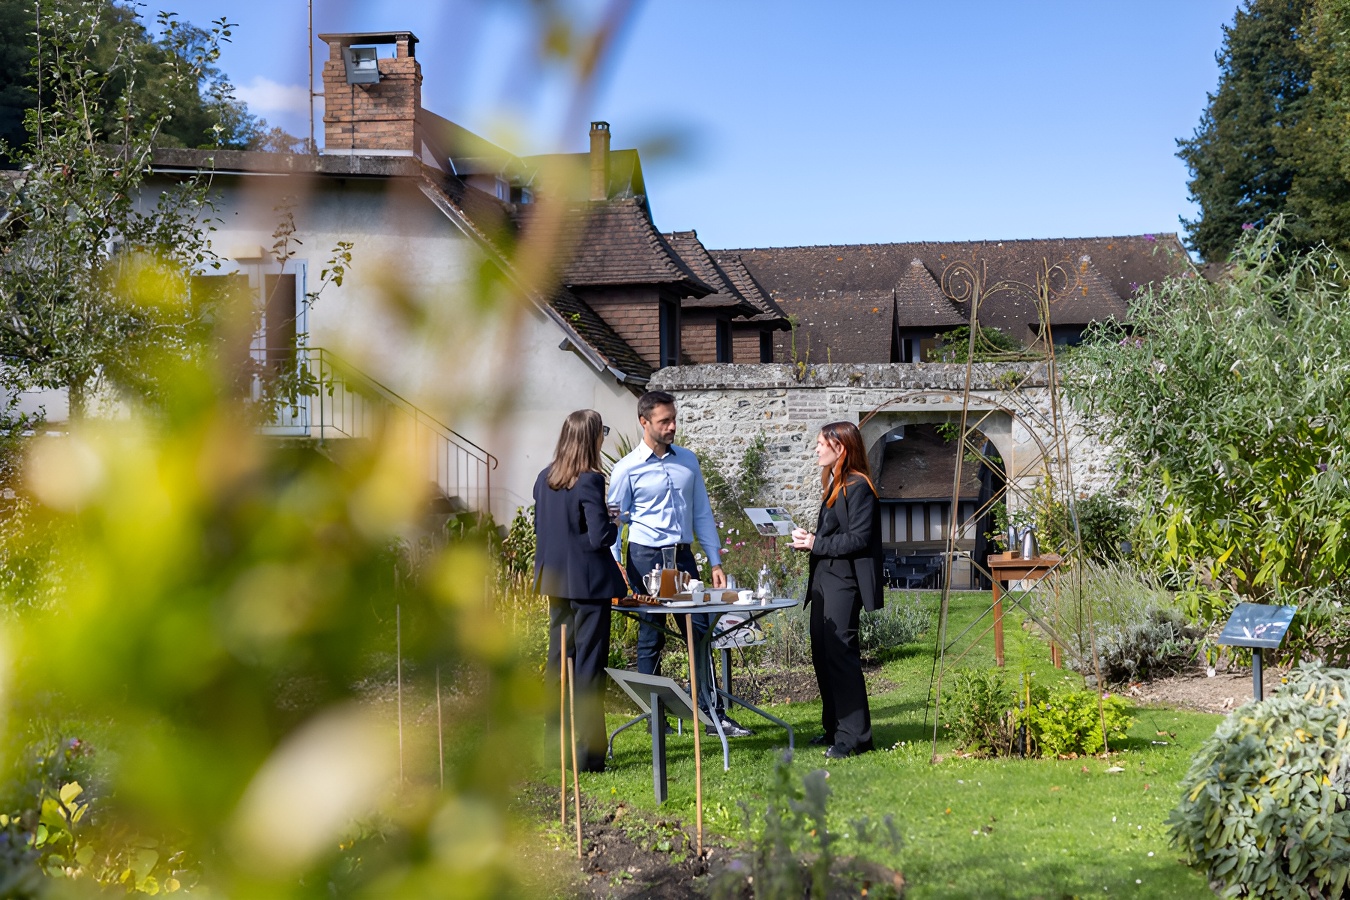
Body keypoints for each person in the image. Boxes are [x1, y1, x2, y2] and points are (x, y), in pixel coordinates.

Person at [608, 390, 752, 738]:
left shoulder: (688, 460)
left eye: (674, 419)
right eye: (664, 421)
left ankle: (709, 712)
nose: (673, 426)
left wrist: (715, 560)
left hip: (684, 556)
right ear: (644, 422)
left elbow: (702, 512)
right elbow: (613, 524)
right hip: (645, 557)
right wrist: (615, 565)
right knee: (650, 635)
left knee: (701, 631)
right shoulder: (625, 469)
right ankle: (654, 719)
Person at [534, 409, 627, 773]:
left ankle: (554, 749)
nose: (604, 435)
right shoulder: (589, 479)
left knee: (558, 666)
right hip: (588, 586)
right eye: (602, 430)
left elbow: (551, 530)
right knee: (589, 668)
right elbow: (598, 537)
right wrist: (613, 521)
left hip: (555, 583)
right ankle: (589, 754)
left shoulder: (545, 478)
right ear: (591, 438)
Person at [791, 421, 884, 758]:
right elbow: (833, 537)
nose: (816, 449)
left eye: (821, 443)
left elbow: (859, 539)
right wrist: (810, 541)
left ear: (839, 448)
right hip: (824, 579)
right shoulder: (835, 483)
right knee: (823, 654)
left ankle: (855, 738)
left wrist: (815, 542)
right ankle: (834, 729)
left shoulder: (859, 487)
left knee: (841, 655)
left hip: (844, 581)